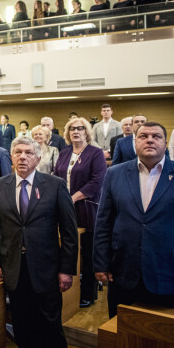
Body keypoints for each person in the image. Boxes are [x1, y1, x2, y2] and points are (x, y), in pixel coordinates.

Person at [94, 122, 174, 318]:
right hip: (123, 274)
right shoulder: (114, 173)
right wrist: (101, 263)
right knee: (123, 338)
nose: (149, 140)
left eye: (156, 136)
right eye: (143, 136)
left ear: (165, 143)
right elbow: (104, 222)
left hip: (170, 276)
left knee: (167, 343)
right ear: (134, 142)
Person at [0, 137, 78, 348]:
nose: (23, 156)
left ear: (38, 158)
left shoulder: (55, 185)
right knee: (23, 327)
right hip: (13, 269)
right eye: (18, 152)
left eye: (28, 153)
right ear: (11, 157)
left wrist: (67, 269)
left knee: (51, 327)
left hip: (47, 270)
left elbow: (69, 233)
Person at [53, 117, 107, 308]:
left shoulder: (95, 153)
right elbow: (56, 176)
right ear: (67, 133)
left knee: (88, 254)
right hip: (64, 209)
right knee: (68, 249)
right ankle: (68, 292)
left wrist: (72, 198)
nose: (76, 132)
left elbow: (97, 181)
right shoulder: (64, 153)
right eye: (72, 129)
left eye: (80, 129)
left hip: (86, 209)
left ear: (87, 132)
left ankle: (88, 294)